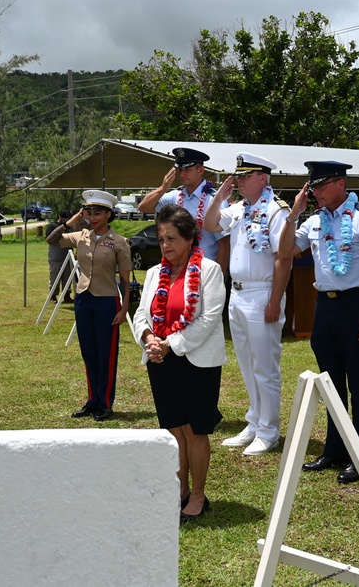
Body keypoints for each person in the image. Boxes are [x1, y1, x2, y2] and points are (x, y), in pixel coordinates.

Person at [281, 160, 359, 484]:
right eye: (311, 186)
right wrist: (294, 213)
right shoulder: (314, 220)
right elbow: (285, 250)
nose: (314, 191)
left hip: (357, 305)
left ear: (341, 183)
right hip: (325, 308)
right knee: (331, 385)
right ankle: (334, 449)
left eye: (321, 185)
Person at [132, 205, 227, 523]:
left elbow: (210, 318)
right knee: (173, 429)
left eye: (172, 238)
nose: (166, 245)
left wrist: (170, 344)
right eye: (161, 239)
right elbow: (141, 313)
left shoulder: (209, 271)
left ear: (190, 239)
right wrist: (148, 338)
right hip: (159, 360)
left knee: (195, 430)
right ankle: (179, 490)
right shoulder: (152, 274)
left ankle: (198, 495)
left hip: (196, 361)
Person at [203, 153, 291, 456]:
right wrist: (219, 197)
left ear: (263, 178)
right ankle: (254, 423)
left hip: (262, 290)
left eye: (245, 175)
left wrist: (275, 300)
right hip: (238, 292)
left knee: (265, 366)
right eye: (237, 176)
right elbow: (210, 223)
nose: (238, 180)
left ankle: (269, 430)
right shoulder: (238, 208)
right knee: (246, 363)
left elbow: (283, 258)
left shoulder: (277, 210)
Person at [47, 191, 132, 422]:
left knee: (107, 353)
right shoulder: (80, 236)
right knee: (89, 353)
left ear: (109, 214)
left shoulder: (120, 242)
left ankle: (105, 403)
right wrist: (71, 221)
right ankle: (92, 400)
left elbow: (125, 279)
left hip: (107, 300)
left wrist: (124, 309)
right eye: (89, 212)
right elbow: (52, 240)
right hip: (83, 299)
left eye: (98, 213)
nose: (92, 217)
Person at [138, 147, 230, 272]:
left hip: (204, 271)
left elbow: (224, 244)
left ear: (201, 170)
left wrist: (220, 278)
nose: (182, 174)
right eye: (180, 170)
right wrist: (163, 188)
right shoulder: (175, 196)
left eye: (187, 169)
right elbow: (144, 207)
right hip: (177, 271)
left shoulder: (214, 200)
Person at [46, 210, 76, 304]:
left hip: (68, 255)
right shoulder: (52, 227)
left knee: (67, 277)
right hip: (56, 256)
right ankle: (53, 296)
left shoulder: (71, 228)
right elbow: (50, 239)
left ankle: (67, 295)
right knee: (55, 277)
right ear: (60, 218)